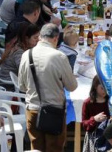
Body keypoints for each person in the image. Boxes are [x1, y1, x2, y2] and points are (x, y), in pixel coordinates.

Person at [18, 23, 79, 152]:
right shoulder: (59, 56)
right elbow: (72, 86)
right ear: (56, 38)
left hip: (32, 110)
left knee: (36, 149)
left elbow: (22, 86)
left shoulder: (26, 55)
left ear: (40, 36)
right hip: (54, 111)